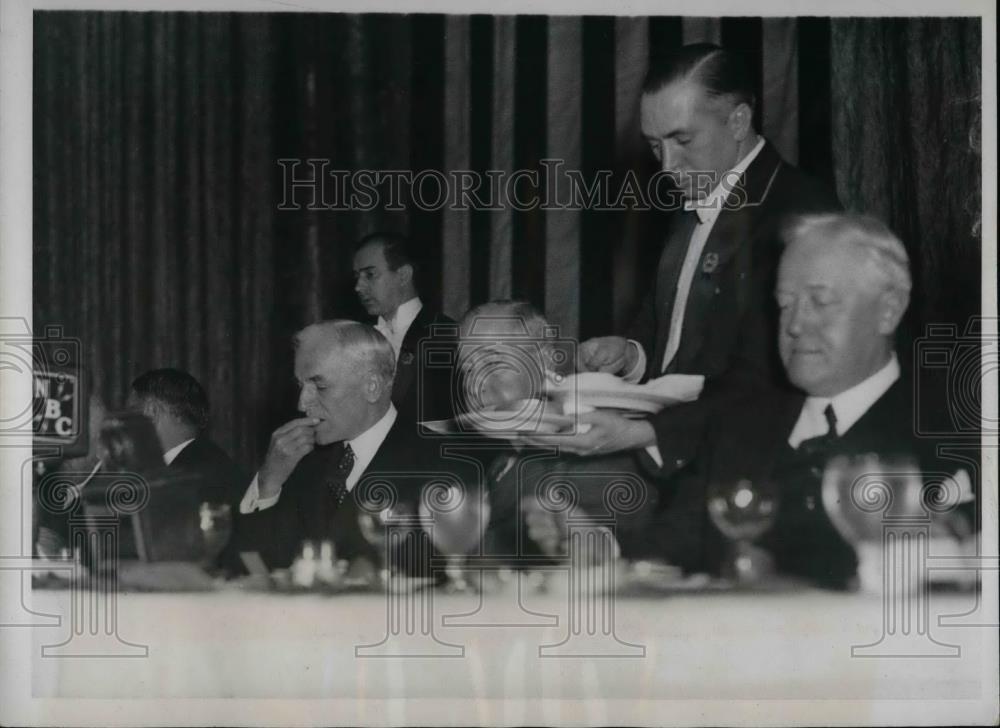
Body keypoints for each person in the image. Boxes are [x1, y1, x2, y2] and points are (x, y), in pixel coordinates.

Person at [549, 43, 840, 480]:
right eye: (654, 145)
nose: (667, 166)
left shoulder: (799, 211)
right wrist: (629, 355)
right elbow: (667, 328)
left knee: (543, 491)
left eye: (682, 140)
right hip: (678, 447)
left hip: (742, 465)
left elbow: (769, 380)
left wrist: (640, 434)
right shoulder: (698, 195)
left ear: (738, 121)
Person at [653, 213, 976, 588]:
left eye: (820, 302)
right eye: (785, 304)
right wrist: (590, 539)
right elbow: (665, 546)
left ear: (888, 310)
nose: (794, 324)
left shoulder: (955, 435)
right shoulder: (741, 425)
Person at [238, 320, 477, 571]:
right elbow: (253, 567)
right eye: (301, 385)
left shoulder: (443, 461)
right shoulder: (297, 460)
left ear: (372, 387)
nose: (302, 404)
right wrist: (269, 482)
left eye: (319, 386)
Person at [456, 300, 649, 564]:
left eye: (492, 365)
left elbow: (610, 552)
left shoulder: (587, 450)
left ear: (543, 360)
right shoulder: (502, 458)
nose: (474, 387)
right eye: (467, 370)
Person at [353, 232, 456, 424]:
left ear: (403, 275)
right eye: (357, 276)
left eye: (370, 275)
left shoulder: (446, 335)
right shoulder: (354, 337)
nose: (358, 287)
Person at [129, 368, 244, 506]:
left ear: (152, 411)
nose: (125, 425)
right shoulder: (205, 461)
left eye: (130, 414)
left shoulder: (194, 476)